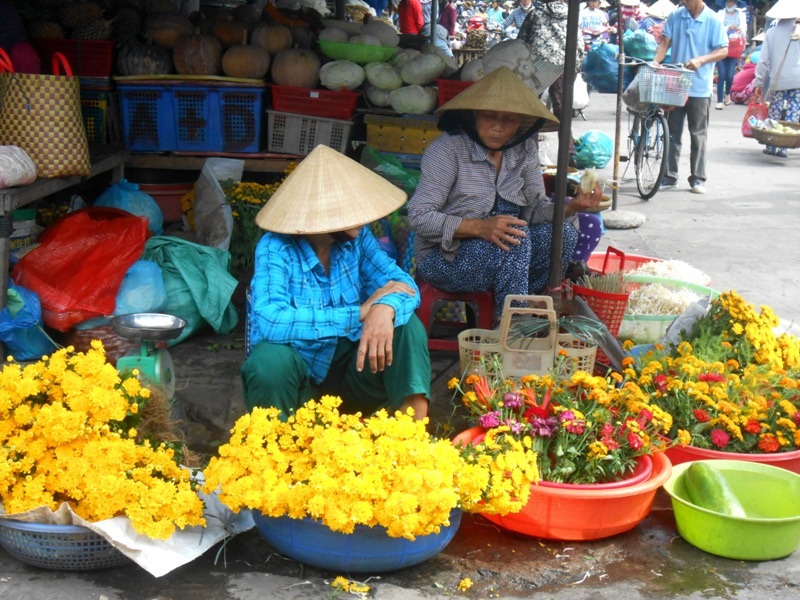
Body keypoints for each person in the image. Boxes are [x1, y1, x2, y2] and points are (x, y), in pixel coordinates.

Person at [242, 145, 431, 421]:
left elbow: (403, 285)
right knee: (269, 361)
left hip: (350, 378)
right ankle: (274, 451)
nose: (364, 217)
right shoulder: (275, 248)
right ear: (323, 214)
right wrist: (359, 313)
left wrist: (383, 309)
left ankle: (413, 438)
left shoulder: (358, 239)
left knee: (406, 325)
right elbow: (271, 320)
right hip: (298, 381)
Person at [407, 67, 604, 319]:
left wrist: (573, 206)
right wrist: (479, 227)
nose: (498, 127)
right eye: (490, 116)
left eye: (508, 119)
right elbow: (418, 216)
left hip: (509, 253)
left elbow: (535, 210)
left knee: (561, 232)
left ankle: (522, 311)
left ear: (520, 123)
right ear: (475, 115)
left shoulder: (523, 151)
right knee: (514, 240)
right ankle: (516, 323)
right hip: (446, 257)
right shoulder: (447, 150)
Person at [654, 0, 728, 194]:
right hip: (676, 85)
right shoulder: (676, 16)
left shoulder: (713, 20)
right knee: (672, 133)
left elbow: (723, 49)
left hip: (700, 87)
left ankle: (698, 178)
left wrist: (702, 59)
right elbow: (664, 43)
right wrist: (655, 62)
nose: (682, 1)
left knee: (698, 135)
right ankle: (669, 176)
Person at [753, 0, 800, 159]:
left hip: (777, 80)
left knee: (774, 112)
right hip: (797, 79)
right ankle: (784, 147)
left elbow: (763, 60)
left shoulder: (772, 32)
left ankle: (773, 145)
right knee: (793, 113)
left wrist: (758, 82)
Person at [715, 0, 748, 109]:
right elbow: (717, 29)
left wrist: (739, 29)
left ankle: (727, 93)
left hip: (734, 48)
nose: (730, 4)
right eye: (728, 2)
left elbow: (744, 32)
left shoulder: (741, 15)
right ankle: (719, 101)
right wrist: (728, 28)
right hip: (721, 46)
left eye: (732, 2)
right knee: (721, 74)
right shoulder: (720, 13)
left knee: (729, 75)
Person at [0, 0, 40, 74]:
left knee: (24, 53)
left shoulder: (4, 7)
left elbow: (16, 33)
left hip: (6, 53)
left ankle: (27, 84)